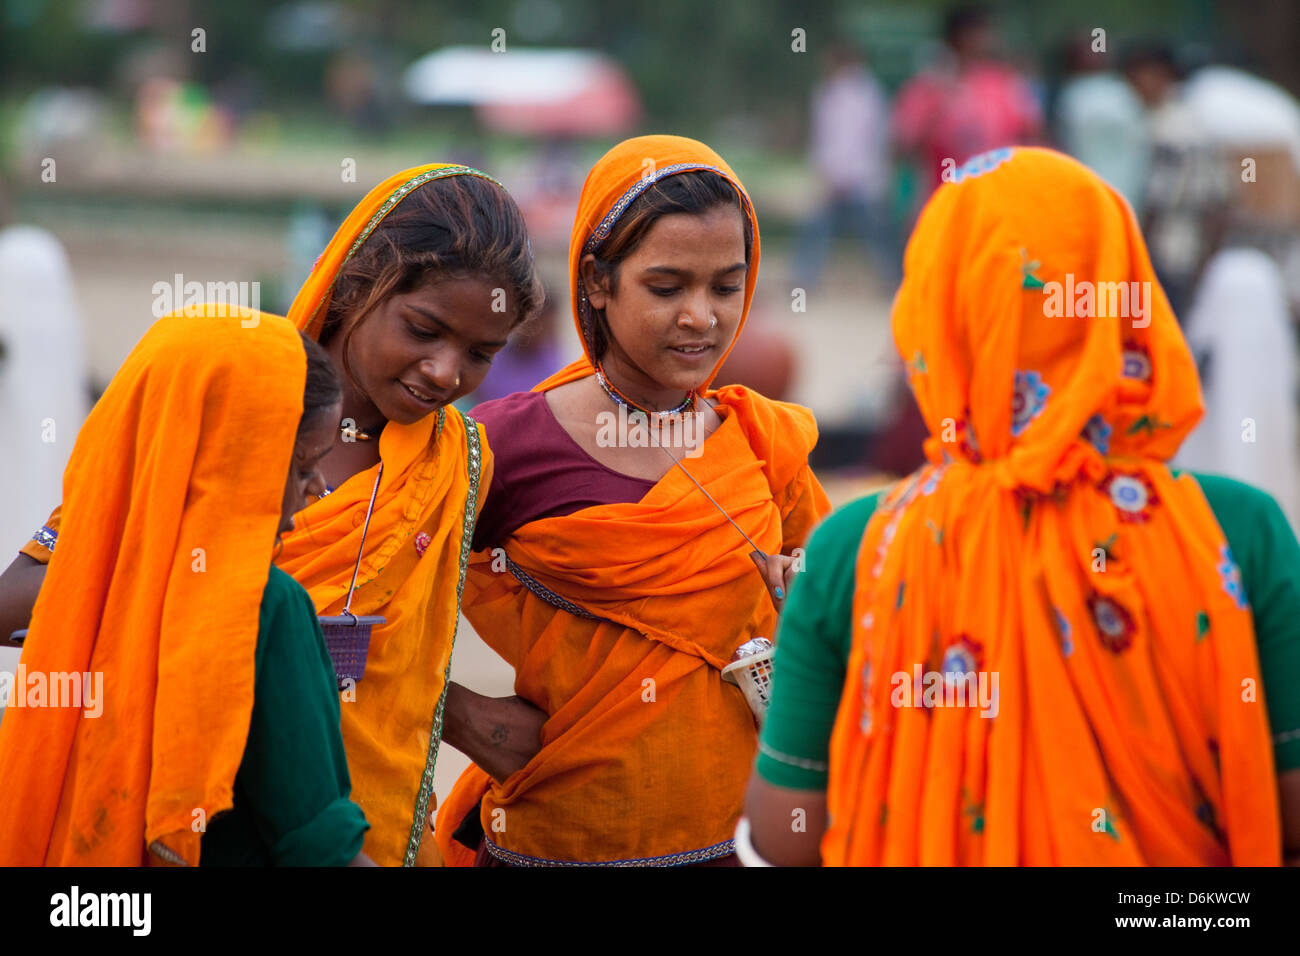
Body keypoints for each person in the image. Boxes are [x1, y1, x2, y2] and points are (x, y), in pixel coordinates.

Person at [741, 147, 1299, 866]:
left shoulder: (858, 548)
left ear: (932, 313)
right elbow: (1287, 807)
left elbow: (789, 834)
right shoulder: (1236, 531)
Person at [0, 164, 547, 867]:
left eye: (480, 354)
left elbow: (411, 666)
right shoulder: (231, 406)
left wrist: (470, 716)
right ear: (357, 287)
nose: (445, 372)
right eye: (423, 329)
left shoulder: (459, 461)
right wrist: (215, 617)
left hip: (361, 832)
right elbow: (28, 600)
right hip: (182, 818)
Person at [434, 135, 832, 866]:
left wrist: (802, 600)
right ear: (596, 282)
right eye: (666, 286)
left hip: (739, 840)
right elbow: (362, 592)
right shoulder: (502, 446)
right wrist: (459, 715)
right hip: (558, 842)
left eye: (725, 286)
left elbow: (846, 616)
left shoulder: (760, 441)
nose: (700, 317)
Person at [0, 310, 373, 866]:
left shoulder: (87, 559)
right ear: (226, 460)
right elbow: (317, 843)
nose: (315, 491)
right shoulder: (266, 603)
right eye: (300, 469)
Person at [893, 4, 1042, 203]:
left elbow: (1032, 136)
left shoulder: (1004, 84)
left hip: (998, 200)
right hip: (945, 200)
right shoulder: (928, 87)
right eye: (979, 34)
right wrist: (938, 105)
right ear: (959, 37)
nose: (987, 41)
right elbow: (904, 147)